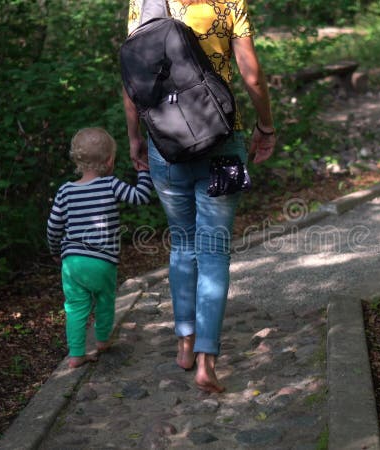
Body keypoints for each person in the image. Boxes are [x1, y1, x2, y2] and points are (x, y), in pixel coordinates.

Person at [123, 0, 277, 393]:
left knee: (182, 244)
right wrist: (266, 125)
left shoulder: (144, 2)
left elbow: (134, 77)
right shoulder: (230, 2)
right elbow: (252, 76)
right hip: (223, 141)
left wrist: (135, 137)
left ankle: (185, 343)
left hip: (166, 145)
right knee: (213, 250)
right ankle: (208, 360)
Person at [47, 127, 153, 368]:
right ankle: (103, 340)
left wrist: (55, 250)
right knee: (105, 299)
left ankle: (76, 354)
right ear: (110, 160)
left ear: (77, 160)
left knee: (75, 306)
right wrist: (144, 171)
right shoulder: (111, 185)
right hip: (103, 261)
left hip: (72, 262)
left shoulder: (65, 191)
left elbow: (53, 226)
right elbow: (141, 197)